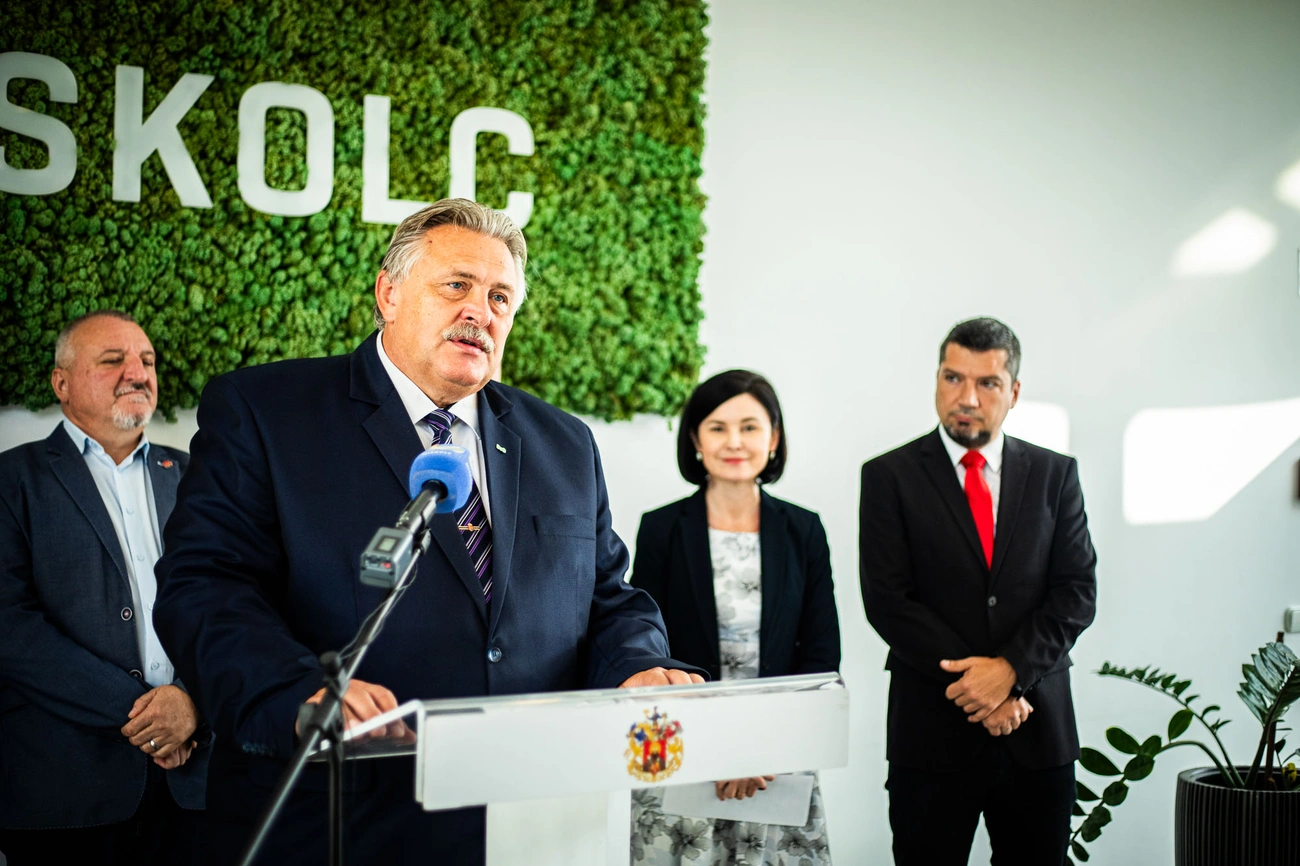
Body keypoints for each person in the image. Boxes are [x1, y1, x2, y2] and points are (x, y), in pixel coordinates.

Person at [153, 198, 704, 866]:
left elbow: (607, 598)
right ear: (389, 293)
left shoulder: (564, 443)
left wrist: (638, 666)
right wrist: (297, 690)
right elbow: (204, 588)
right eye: (456, 286)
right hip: (340, 820)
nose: (480, 311)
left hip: (532, 821)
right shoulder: (266, 412)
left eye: (500, 297)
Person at [859, 317, 1097, 865]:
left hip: (1037, 730)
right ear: (937, 379)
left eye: (987, 382)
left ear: (1014, 391)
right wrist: (982, 687)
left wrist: (1011, 671)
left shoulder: (1055, 475)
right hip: (931, 734)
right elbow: (889, 601)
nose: (966, 397)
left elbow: (1076, 592)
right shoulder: (888, 476)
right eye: (952, 378)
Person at [0, 310, 208, 866]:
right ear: (61, 383)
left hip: (195, 787)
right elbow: (10, 627)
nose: (137, 373)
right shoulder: (11, 480)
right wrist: (149, 716)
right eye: (113, 360)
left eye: (147, 361)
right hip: (64, 793)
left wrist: (191, 702)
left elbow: (240, 602)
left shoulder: (200, 476)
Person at [629, 369, 840, 865]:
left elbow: (821, 656)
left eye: (749, 427)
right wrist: (718, 750)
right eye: (718, 427)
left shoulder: (804, 531)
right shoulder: (661, 529)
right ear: (695, 440)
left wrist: (759, 750)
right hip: (684, 752)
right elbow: (646, 649)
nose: (734, 442)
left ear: (774, 438)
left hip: (777, 759)